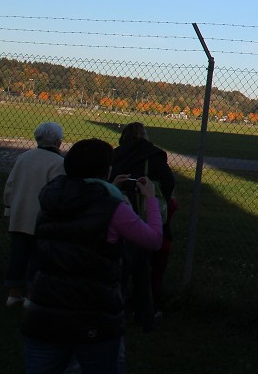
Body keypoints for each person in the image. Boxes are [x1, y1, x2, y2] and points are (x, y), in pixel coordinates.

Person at [22, 138, 163, 374]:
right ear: (105, 170)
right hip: (92, 316)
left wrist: (109, 187)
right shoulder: (113, 208)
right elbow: (153, 239)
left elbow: (83, 206)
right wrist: (151, 199)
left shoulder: (50, 198)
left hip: (43, 314)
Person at [109, 121, 176, 331]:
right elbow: (168, 181)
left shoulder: (116, 154)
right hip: (146, 215)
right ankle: (145, 310)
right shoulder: (153, 155)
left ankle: (118, 305)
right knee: (144, 267)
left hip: (120, 213)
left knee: (120, 264)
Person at [3, 122, 65, 306]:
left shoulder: (24, 157)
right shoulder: (59, 163)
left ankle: (13, 293)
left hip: (20, 214)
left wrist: (9, 207)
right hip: (42, 217)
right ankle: (31, 295)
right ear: (58, 142)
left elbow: (10, 185)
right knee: (38, 259)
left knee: (18, 255)